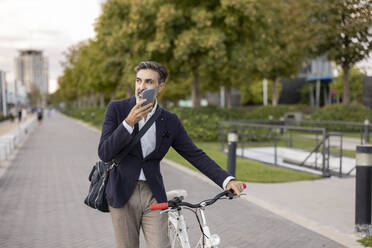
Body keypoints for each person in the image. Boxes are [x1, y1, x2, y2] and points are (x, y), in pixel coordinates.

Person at [98, 61, 246, 248]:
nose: (141, 87)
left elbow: (194, 154)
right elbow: (104, 152)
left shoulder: (169, 121)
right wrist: (128, 122)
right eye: (138, 81)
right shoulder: (117, 109)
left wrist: (227, 180)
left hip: (153, 194)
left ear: (160, 86)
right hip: (121, 193)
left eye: (148, 82)